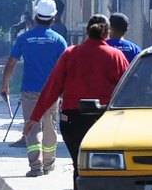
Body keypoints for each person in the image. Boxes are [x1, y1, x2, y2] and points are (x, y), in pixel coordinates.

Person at [24, 13, 130, 170]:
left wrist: (34, 118)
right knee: (104, 166)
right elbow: (128, 89)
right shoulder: (116, 56)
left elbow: (52, 88)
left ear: (87, 31)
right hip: (105, 119)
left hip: (72, 119)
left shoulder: (70, 54)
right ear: (107, 33)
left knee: (79, 165)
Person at [0, 0, 68, 175]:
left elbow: (11, 62)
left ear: (36, 17)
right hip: (52, 91)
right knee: (49, 125)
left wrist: (5, 85)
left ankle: (35, 165)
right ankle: (48, 163)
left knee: (32, 126)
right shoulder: (59, 40)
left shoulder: (24, 38)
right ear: (53, 19)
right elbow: (66, 68)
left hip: (30, 90)